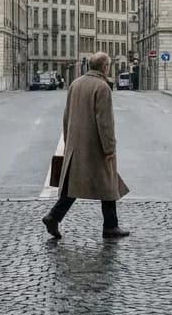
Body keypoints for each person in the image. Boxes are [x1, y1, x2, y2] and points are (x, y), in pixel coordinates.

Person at [42, 52, 130, 239]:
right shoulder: (102, 87)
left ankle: (54, 217)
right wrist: (109, 148)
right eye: (108, 66)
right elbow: (105, 122)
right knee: (108, 184)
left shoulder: (75, 83)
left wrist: (68, 142)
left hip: (76, 145)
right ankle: (110, 227)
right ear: (105, 67)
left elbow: (66, 115)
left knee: (74, 185)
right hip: (95, 146)